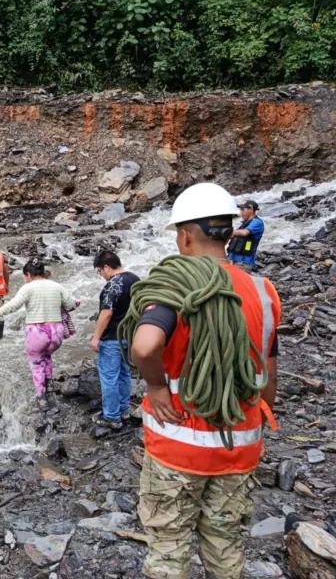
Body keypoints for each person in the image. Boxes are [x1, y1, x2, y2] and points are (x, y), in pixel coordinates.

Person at [128, 183, 280, 579]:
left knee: (168, 551)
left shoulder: (175, 284)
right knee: (225, 547)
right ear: (229, 233)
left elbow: (144, 346)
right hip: (239, 447)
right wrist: (259, 413)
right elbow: (268, 374)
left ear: (184, 235)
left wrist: (157, 387)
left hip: (177, 449)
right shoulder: (263, 292)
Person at [0, 258, 79, 408]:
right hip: (56, 333)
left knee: (36, 363)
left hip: (37, 333)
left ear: (28, 274)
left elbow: (13, 305)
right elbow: (70, 305)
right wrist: (75, 302)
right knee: (47, 356)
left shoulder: (28, 288)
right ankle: (49, 385)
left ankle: (41, 397)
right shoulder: (57, 286)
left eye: (25, 276)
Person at [89, 251, 140, 430]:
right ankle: (124, 410)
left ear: (106, 267)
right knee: (124, 373)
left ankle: (111, 416)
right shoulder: (135, 279)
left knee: (109, 378)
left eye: (100, 271)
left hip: (112, 338)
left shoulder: (113, 285)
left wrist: (96, 337)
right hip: (129, 336)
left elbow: (107, 313)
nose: (101, 275)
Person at [227, 199, 264, 271]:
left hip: (243, 262)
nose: (241, 212)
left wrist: (227, 231)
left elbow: (245, 233)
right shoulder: (245, 223)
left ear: (251, 210)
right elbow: (234, 235)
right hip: (232, 259)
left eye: (242, 209)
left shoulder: (257, 222)